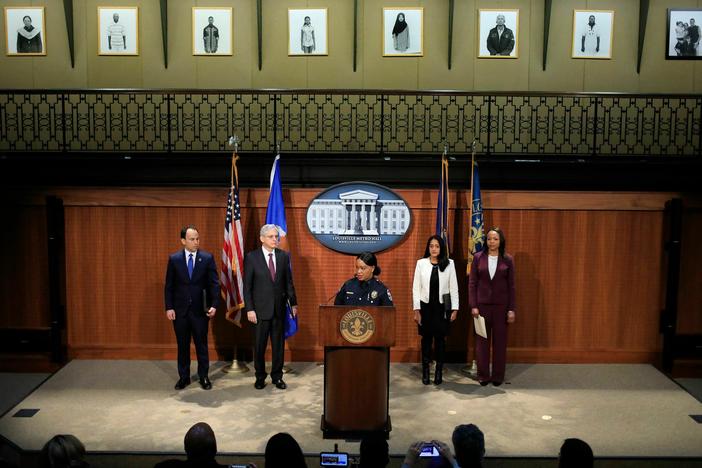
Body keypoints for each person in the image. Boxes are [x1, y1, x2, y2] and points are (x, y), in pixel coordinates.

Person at [164, 225, 220, 390]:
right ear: (183, 241)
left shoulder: (207, 258)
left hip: (200, 311)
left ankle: (204, 377)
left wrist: (214, 305)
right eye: (192, 239)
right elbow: (169, 286)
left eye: (197, 239)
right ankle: (184, 377)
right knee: (182, 346)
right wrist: (169, 307)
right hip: (180, 311)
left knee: (201, 345)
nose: (196, 242)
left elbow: (214, 285)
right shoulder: (174, 259)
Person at [244, 224, 298, 390]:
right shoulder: (252, 257)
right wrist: (250, 309)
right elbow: (247, 286)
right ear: (262, 239)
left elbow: (288, 282)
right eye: (271, 237)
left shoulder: (283, 256)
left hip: (279, 309)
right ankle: (260, 376)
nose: (275, 239)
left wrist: (293, 303)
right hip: (259, 311)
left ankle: (277, 377)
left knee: (278, 347)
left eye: (276, 236)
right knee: (259, 346)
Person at [468, 227, 516, 386]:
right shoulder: (478, 258)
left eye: (495, 239)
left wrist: (511, 309)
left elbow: (512, 286)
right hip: (482, 307)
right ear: (485, 240)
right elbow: (472, 283)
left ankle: (497, 376)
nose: (492, 242)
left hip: (501, 308)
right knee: (482, 343)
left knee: (500, 343)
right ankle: (483, 375)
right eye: (489, 239)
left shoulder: (507, 259)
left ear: (500, 241)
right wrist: (473, 305)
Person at [412, 235, 458, 385]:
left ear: (441, 248)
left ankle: (439, 371)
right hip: (425, 307)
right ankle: (425, 371)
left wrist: (455, 308)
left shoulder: (449, 264)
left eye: (437, 246)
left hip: (442, 308)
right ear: (428, 248)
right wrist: (416, 309)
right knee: (426, 340)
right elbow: (416, 288)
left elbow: (454, 288)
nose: (434, 249)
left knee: (440, 341)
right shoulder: (421, 263)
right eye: (431, 246)